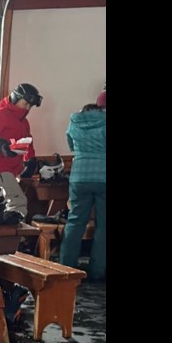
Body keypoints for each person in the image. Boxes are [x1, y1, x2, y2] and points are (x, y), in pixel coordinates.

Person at [0, 83, 42, 217]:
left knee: (2, 205)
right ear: (15, 98)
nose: (27, 108)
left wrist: (30, 159)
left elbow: (27, 141)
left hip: (8, 170)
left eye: (30, 105)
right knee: (17, 202)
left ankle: (9, 235)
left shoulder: (23, 121)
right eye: (25, 103)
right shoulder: (0, 114)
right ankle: (14, 236)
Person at [59, 104, 106, 281]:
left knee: (75, 221)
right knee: (103, 226)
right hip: (104, 177)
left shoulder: (74, 123)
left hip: (79, 176)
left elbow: (71, 146)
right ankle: (97, 272)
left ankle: (66, 268)